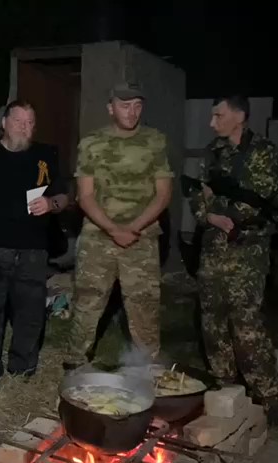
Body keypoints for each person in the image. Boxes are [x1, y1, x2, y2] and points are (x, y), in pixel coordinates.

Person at [188, 95, 278, 425]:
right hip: (214, 245)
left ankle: (266, 394)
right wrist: (209, 217)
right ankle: (224, 385)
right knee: (212, 317)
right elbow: (197, 192)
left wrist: (228, 214)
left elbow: (259, 196)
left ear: (239, 116)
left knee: (245, 320)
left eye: (218, 115)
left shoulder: (263, 151)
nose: (211, 122)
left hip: (248, 248)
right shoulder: (212, 151)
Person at [66, 82, 173, 369]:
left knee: (144, 306)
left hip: (142, 238)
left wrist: (134, 228)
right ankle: (75, 365)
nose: (132, 112)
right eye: (125, 106)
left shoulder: (155, 141)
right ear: (110, 108)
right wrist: (113, 230)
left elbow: (163, 194)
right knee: (87, 303)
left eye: (137, 106)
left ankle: (148, 370)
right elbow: (85, 196)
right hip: (98, 237)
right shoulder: (92, 143)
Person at [0, 100, 69, 386]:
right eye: (18, 121)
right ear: (4, 123)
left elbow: (64, 197)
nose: (25, 128)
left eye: (30, 123)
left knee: (30, 314)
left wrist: (51, 203)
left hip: (33, 249)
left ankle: (22, 370)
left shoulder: (45, 155)